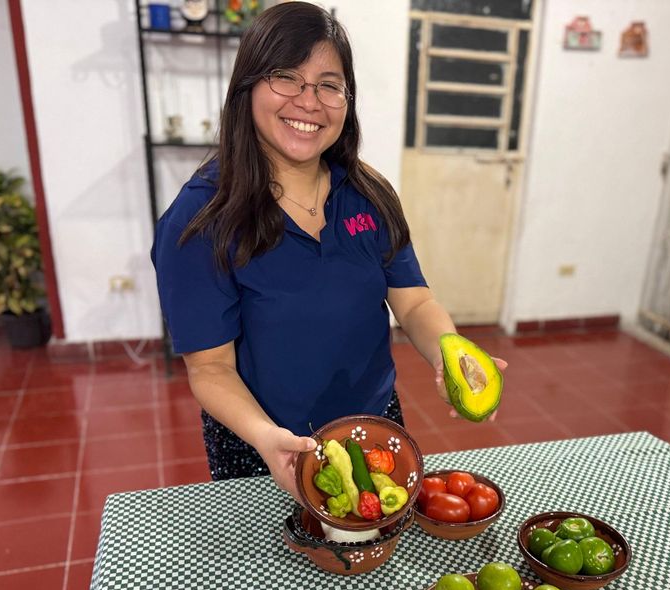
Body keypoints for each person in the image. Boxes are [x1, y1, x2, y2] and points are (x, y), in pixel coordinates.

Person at [151, 2, 504, 501]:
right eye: (286, 77)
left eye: (329, 84)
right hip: (262, 442)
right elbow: (209, 368)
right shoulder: (201, 218)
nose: (309, 101)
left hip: (374, 424)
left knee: (373, 566)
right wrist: (265, 438)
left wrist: (450, 352)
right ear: (247, 88)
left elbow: (415, 302)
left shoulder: (369, 195)